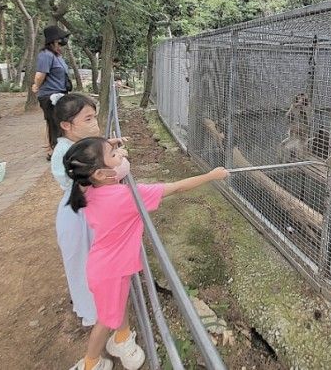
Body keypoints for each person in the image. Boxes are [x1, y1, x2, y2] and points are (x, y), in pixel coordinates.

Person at [63, 137, 229, 370]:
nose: (121, 155)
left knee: (116, 306)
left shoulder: (88, 188)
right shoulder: (128, 196)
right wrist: (212, 175)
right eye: (114, 155)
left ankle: (121, 339)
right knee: (105, 320)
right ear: (100, 173)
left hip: (105, 265)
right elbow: (178, 187)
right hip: (112, 271)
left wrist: (111, 147)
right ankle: (90, 363)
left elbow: (93, 166)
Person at [50, 93, 128, 328]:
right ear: (66, 125)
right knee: (86, 266)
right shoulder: (65, 153)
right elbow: (106, 174)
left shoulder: (72, 145)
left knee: (90, 264)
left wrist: (109, 147)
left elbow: (92, 154)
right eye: (88, 119)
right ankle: (95, 312)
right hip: (78, 220)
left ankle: (98, 308)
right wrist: (120, 159)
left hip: (82, 213)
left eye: (95, 117)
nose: (95, 123)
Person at [33, 25, 72, 157]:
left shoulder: (57, 56)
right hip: (49, 95)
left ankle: (55, 147)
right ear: (54, 40)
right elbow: (40, 75)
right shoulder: (46, 55)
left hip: (60, 93)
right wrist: (36, 85)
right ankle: (53, 151)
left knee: (58, 121)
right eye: (60, 38)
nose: (63, 41)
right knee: (54, 122)